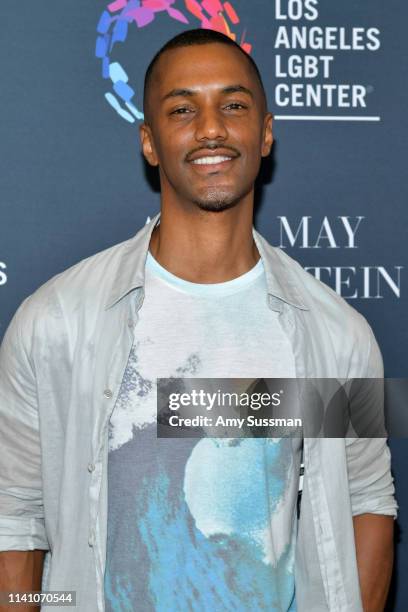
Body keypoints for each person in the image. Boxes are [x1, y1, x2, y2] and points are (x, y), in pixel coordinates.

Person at [0, 28, 397, 612]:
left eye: (233, 106)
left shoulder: (336, 335)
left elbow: (367, 501)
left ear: (265, 133)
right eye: (183, 109)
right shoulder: (56, 322)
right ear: (150, 142)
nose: (211, 128)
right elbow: (17, 518)